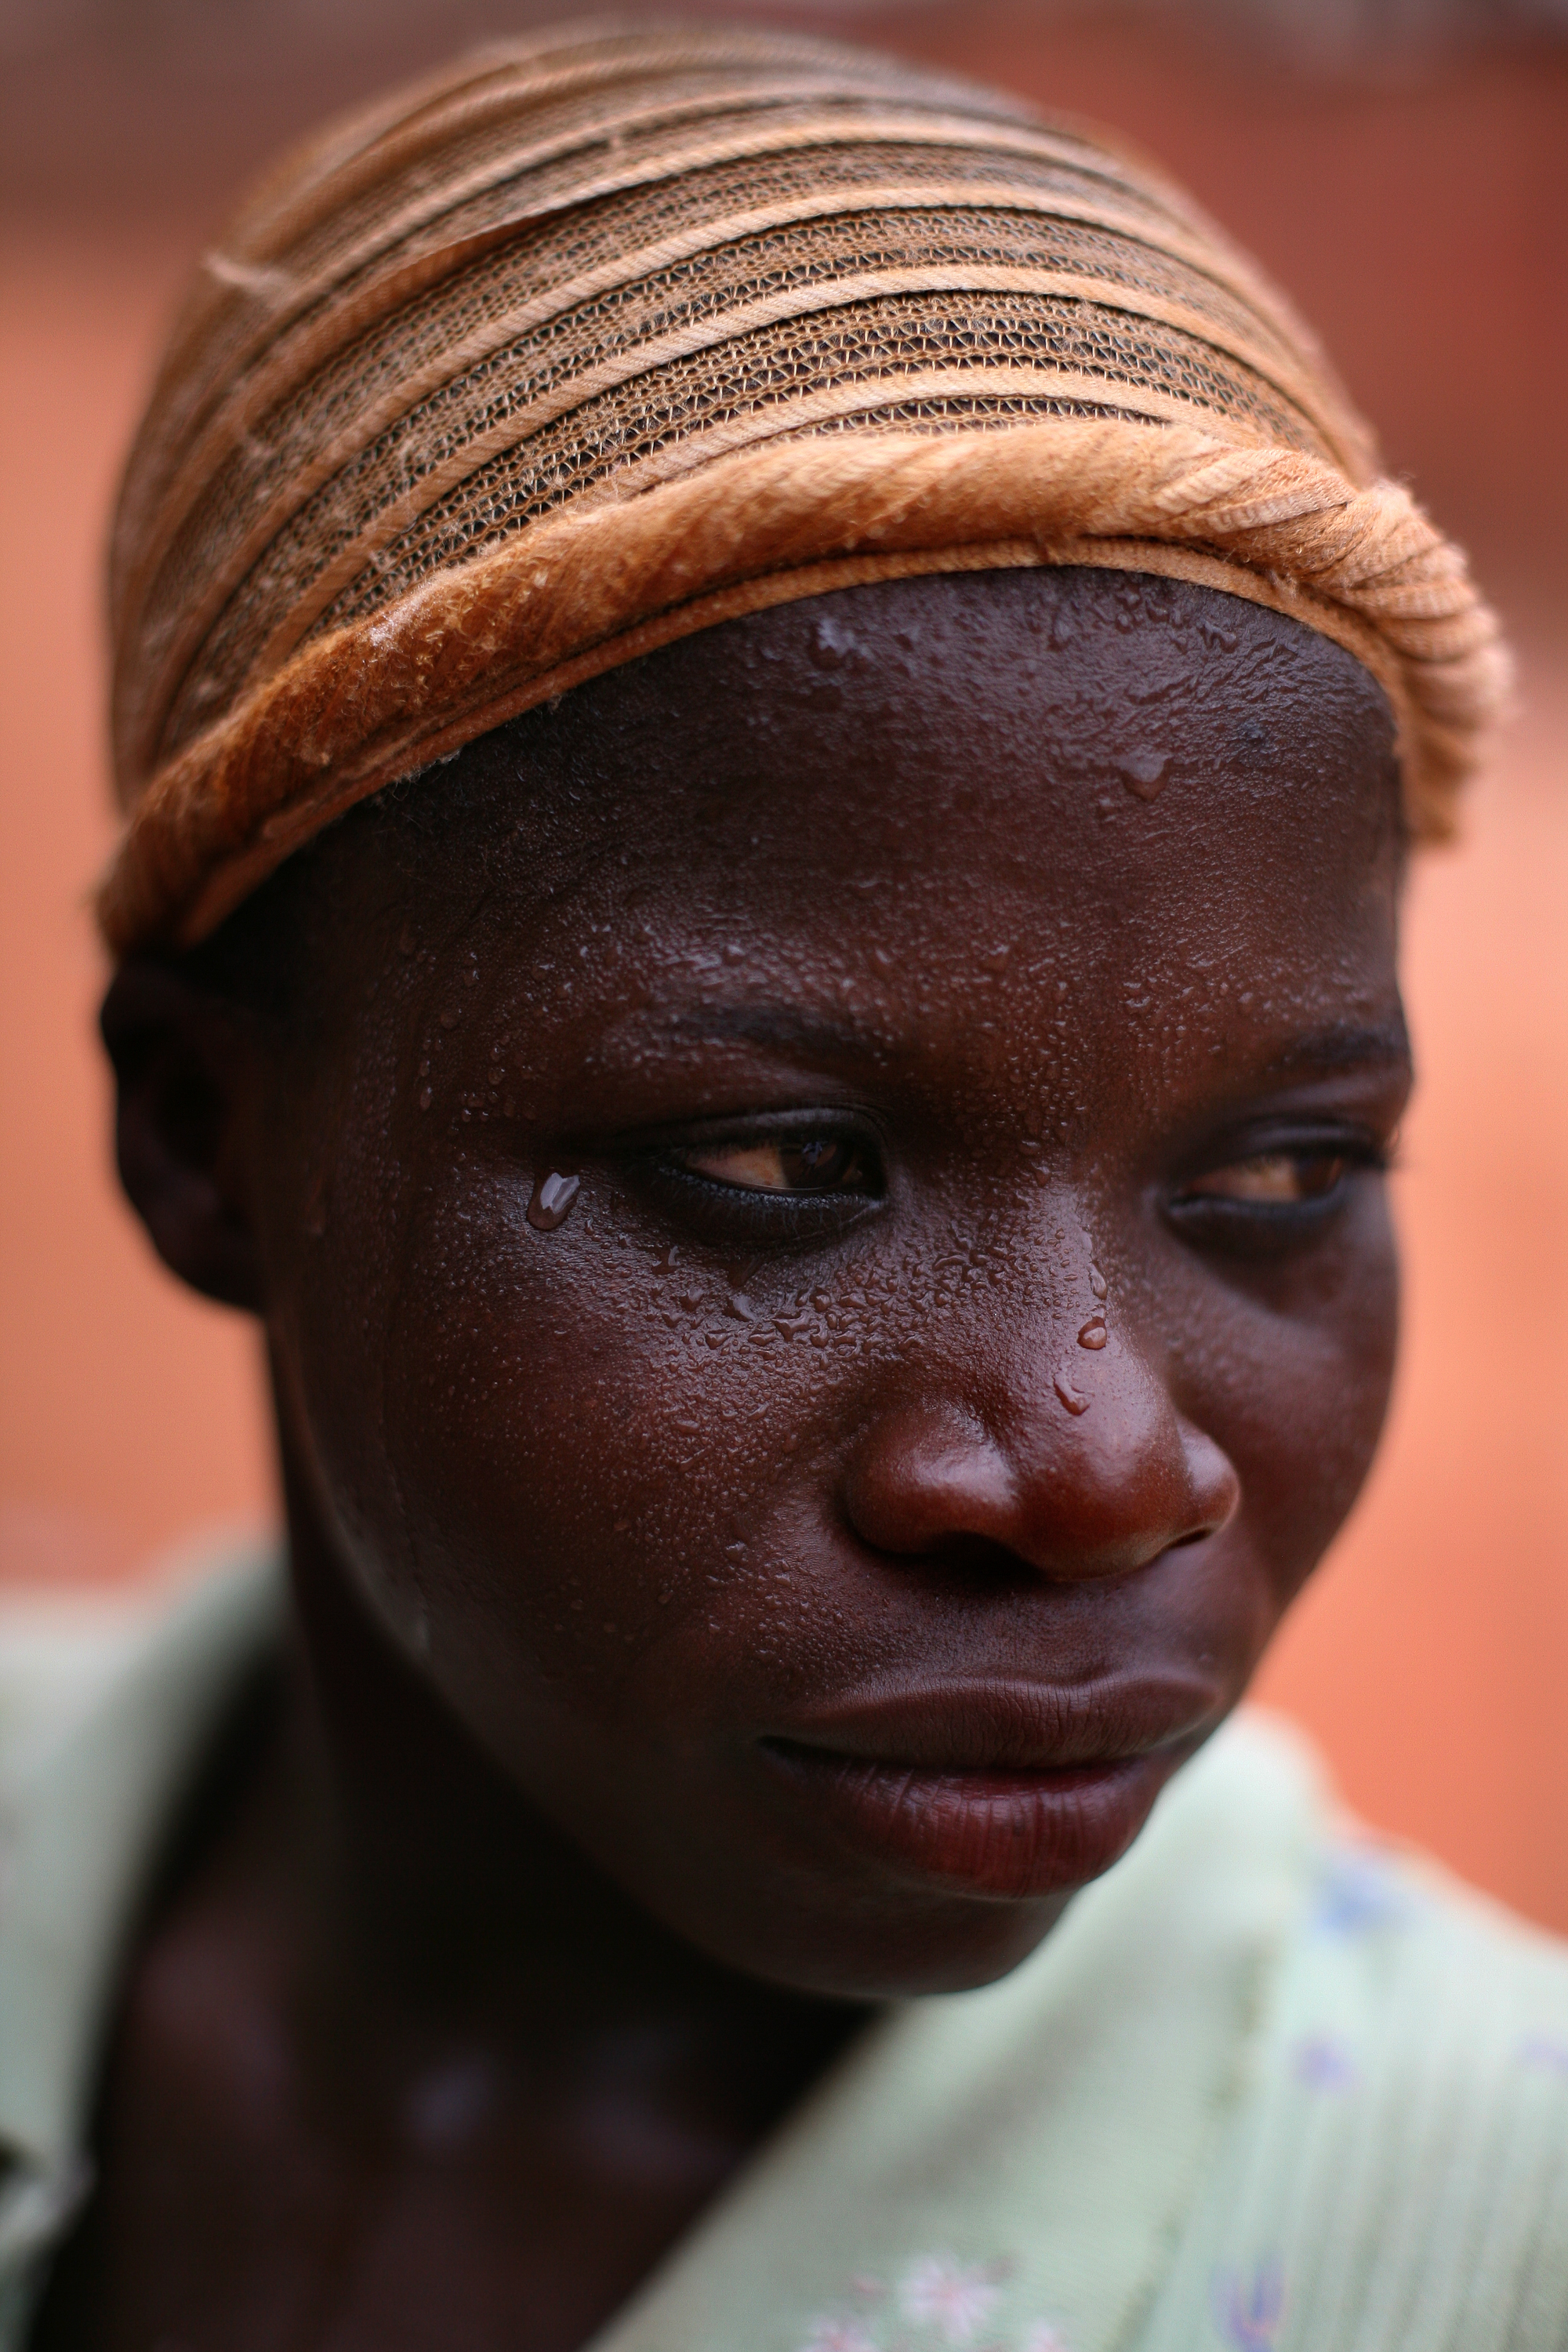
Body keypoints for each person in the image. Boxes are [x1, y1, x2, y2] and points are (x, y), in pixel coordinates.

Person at [5, 20, 1563, 2349]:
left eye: (1279, 1174)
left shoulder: (1480, 2233)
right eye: (778, 1166)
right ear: (205, 1143)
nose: (1104, 1463)